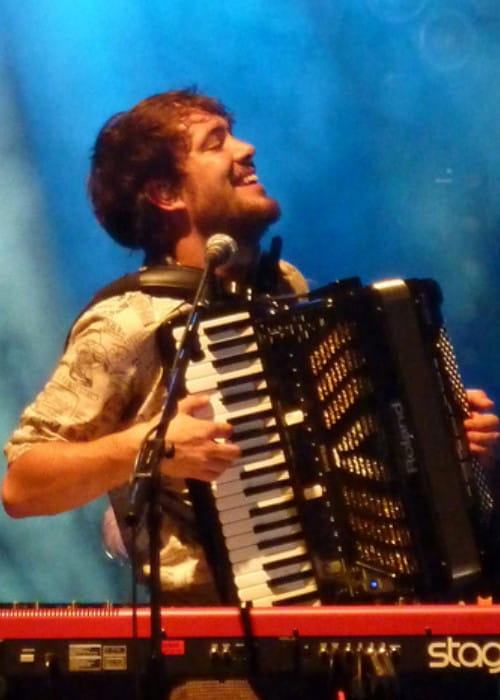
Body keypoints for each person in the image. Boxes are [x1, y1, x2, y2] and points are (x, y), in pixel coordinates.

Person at [2, 89, 499, 700]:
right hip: (219, 665)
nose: (246, 149)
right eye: (216, 142)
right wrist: (150, 445)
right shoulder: (128, 322)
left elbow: (343, 459)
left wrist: (441, 450)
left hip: (343, 639)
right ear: (167, 194)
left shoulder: (282, 290)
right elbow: (23, 484)